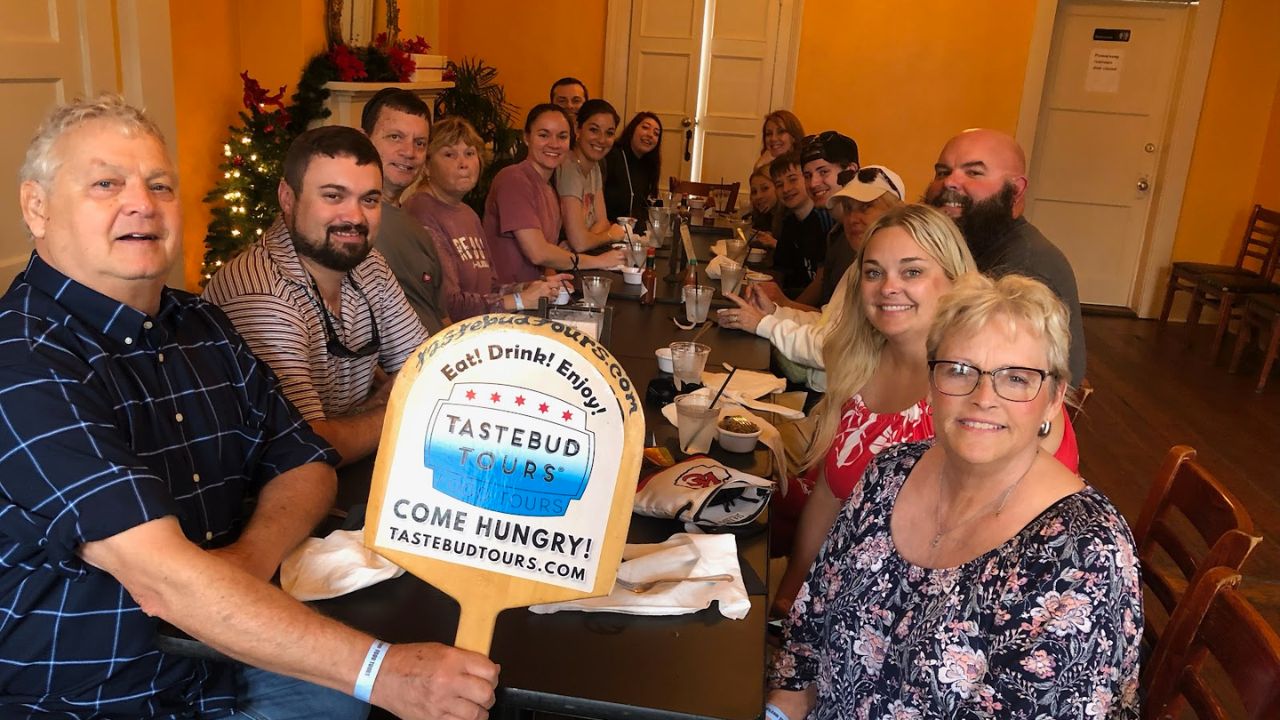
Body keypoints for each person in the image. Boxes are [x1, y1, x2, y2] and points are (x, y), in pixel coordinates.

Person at [0, 94, 497, 719]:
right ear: (37, 207)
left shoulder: (199, 324)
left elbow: (306, 461)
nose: (142, 204)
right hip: (102, 697)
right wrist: (384, 672)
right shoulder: (22, 361)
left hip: (233, 657)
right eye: (106, 184)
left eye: (160, 185)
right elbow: (164, 580)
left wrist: (246, 563)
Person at [767, 271, 1140, 720]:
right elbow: (806, 643)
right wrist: (781, 709)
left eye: (1016, 378)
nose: (983, 397)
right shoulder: (889, 473)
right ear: (931, 383)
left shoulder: (1084, 553)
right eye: (960, 370)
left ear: (1054, 398)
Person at [205, 126, 428, 467]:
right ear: (287, 197)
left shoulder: (369, 265)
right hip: (270, 487)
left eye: (369, 200)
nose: (355, 217)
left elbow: (430, 368)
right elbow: (307, 447)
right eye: (333, 196)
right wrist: (398, 404)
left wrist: (374, 411)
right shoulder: (263, 294)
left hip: (353, 468)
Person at [717, 165, 906, 393]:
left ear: (896, 213)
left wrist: (763, 324)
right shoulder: (859, 266)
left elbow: (830, 348)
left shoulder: (889, 280)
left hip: (838, 398)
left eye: (865, 207)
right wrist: (774, 312)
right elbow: (827, 322)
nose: (853, 218)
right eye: (848, 209)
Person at [924, 128, 1086, 385]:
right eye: (942, 172)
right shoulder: (974, 243)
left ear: (1016, 189)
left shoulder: (1023, 269)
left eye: (973, 173)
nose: (949, 182)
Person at [405, 116, 570, 320]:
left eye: (469, 153)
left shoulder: (468, 214)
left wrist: (530, 288)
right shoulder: (421, 212)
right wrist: (519, 300)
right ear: (426, 165)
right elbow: (448, 305)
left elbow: (490, 289)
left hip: (486, 327)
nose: (463, 164)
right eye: (449, 154)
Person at [484, 103, 623, 284]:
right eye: (543, 135)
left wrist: (556, 283)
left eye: (562, 136)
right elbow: (538, 253)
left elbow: (547, 261)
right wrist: (599, 261)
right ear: (526, 138)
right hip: (506, 296)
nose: (554, 144)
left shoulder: (549, 189)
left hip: (539, 292)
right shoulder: (513, 179)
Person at [360, 88, 449, 333]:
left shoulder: (419, 232)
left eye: (419, 143)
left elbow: (440, 317)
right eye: (395, 137)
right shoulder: (347, 223)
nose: (409, 152)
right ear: (364, 140)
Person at [797, 130, 860, 307]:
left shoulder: (858, 231)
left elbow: (839, 318)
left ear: (851, 171)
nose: (813, 183)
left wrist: (779, 306)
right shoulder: (836, 230)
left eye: (823, 172)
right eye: (807, 176)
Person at [557, 98, 626, 251]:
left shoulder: (594, 166)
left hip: (580, 254)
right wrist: (611, 235)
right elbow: (580, 243)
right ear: (577, 129)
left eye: (609, 133)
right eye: (594, 130)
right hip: (559, 260)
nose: (602, 139)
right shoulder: (568, 167)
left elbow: (602, 222)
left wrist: (584, 239)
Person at [769, 151, 835, 299]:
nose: (786, 189)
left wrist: (787, 307)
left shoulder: (825, 220)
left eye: (792, 179)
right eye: (779, 185)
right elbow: (780, 271)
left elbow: (821, 282)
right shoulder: (789, 223)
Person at [603, 111, 662, 226]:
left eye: (656, 133)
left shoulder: (648, 166)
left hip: (633, 231)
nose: (650, 135)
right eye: (645, 128)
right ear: (632, 129)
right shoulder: (612, 155)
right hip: (608, 228)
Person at [745, 165, 779, 235]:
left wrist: (774, 241)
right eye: (754, 192)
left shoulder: (791, 218)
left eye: (765, 188)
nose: (758, 196)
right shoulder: (761, 216)